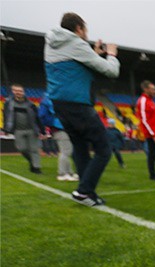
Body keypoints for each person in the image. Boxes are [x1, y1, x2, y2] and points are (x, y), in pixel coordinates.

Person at [44, 12, 120, 206]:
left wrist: (92, 53)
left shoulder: (52, 43)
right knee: (104, 150)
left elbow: (74, 68)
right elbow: (111, 70)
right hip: (78, 105)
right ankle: (83, 191)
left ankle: (88, 194)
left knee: (80, 149)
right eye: (85, 29)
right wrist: (111, 55)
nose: (86, 33)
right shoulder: (76, 43)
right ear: (78, 28)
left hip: (60, 105)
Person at [2, 84, 45, 174]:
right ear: (13, 91)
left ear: (23, 92)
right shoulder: (8, 103)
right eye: (16, 91)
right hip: (18, 130)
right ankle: (32, 161)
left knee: (34, 149)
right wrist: (6, 129)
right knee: (22, 148)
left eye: (20, 91)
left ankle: (36, 168)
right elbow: (6, 116)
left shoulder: (31, 104)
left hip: (31, 129)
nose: (18, 93)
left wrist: (42, 130)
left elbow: (37, 117)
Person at [38, 93, 77, 181]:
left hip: (60, 128)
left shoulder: (48, 99)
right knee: (66, 151)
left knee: (66, 151)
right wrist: (50, 123)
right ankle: (62, 173)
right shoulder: (50, 100)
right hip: (59, 128)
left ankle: (69, 172)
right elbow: (41, 116)